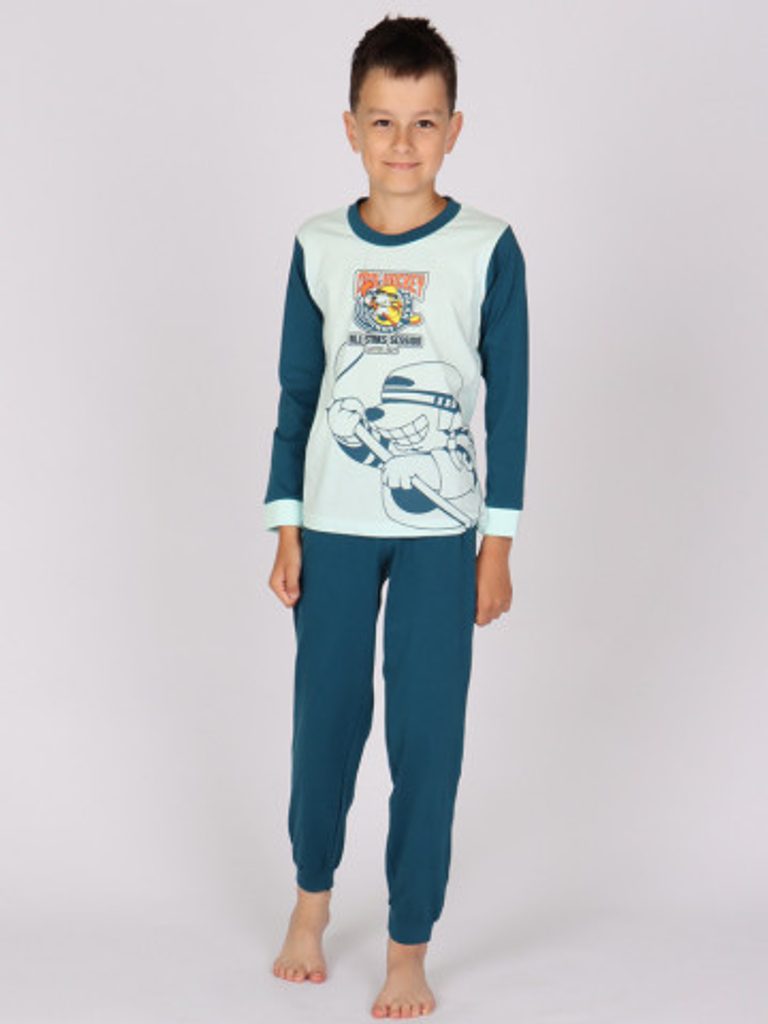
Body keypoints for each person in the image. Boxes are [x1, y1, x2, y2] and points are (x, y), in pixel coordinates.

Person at [263, 14, 529, 1019]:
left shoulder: (488, 247)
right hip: (332, 524)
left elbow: (511, 403)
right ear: (351, 127)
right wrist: (286, 524)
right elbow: (298, 394)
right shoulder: (318, 244)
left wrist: (496, 544)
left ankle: (408, 942)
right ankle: (310, 902)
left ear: (454, 128)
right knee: (325, 718)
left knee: (428, 737)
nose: (403, 143)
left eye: (423, 122)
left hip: (441, 536)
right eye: (383, 121)